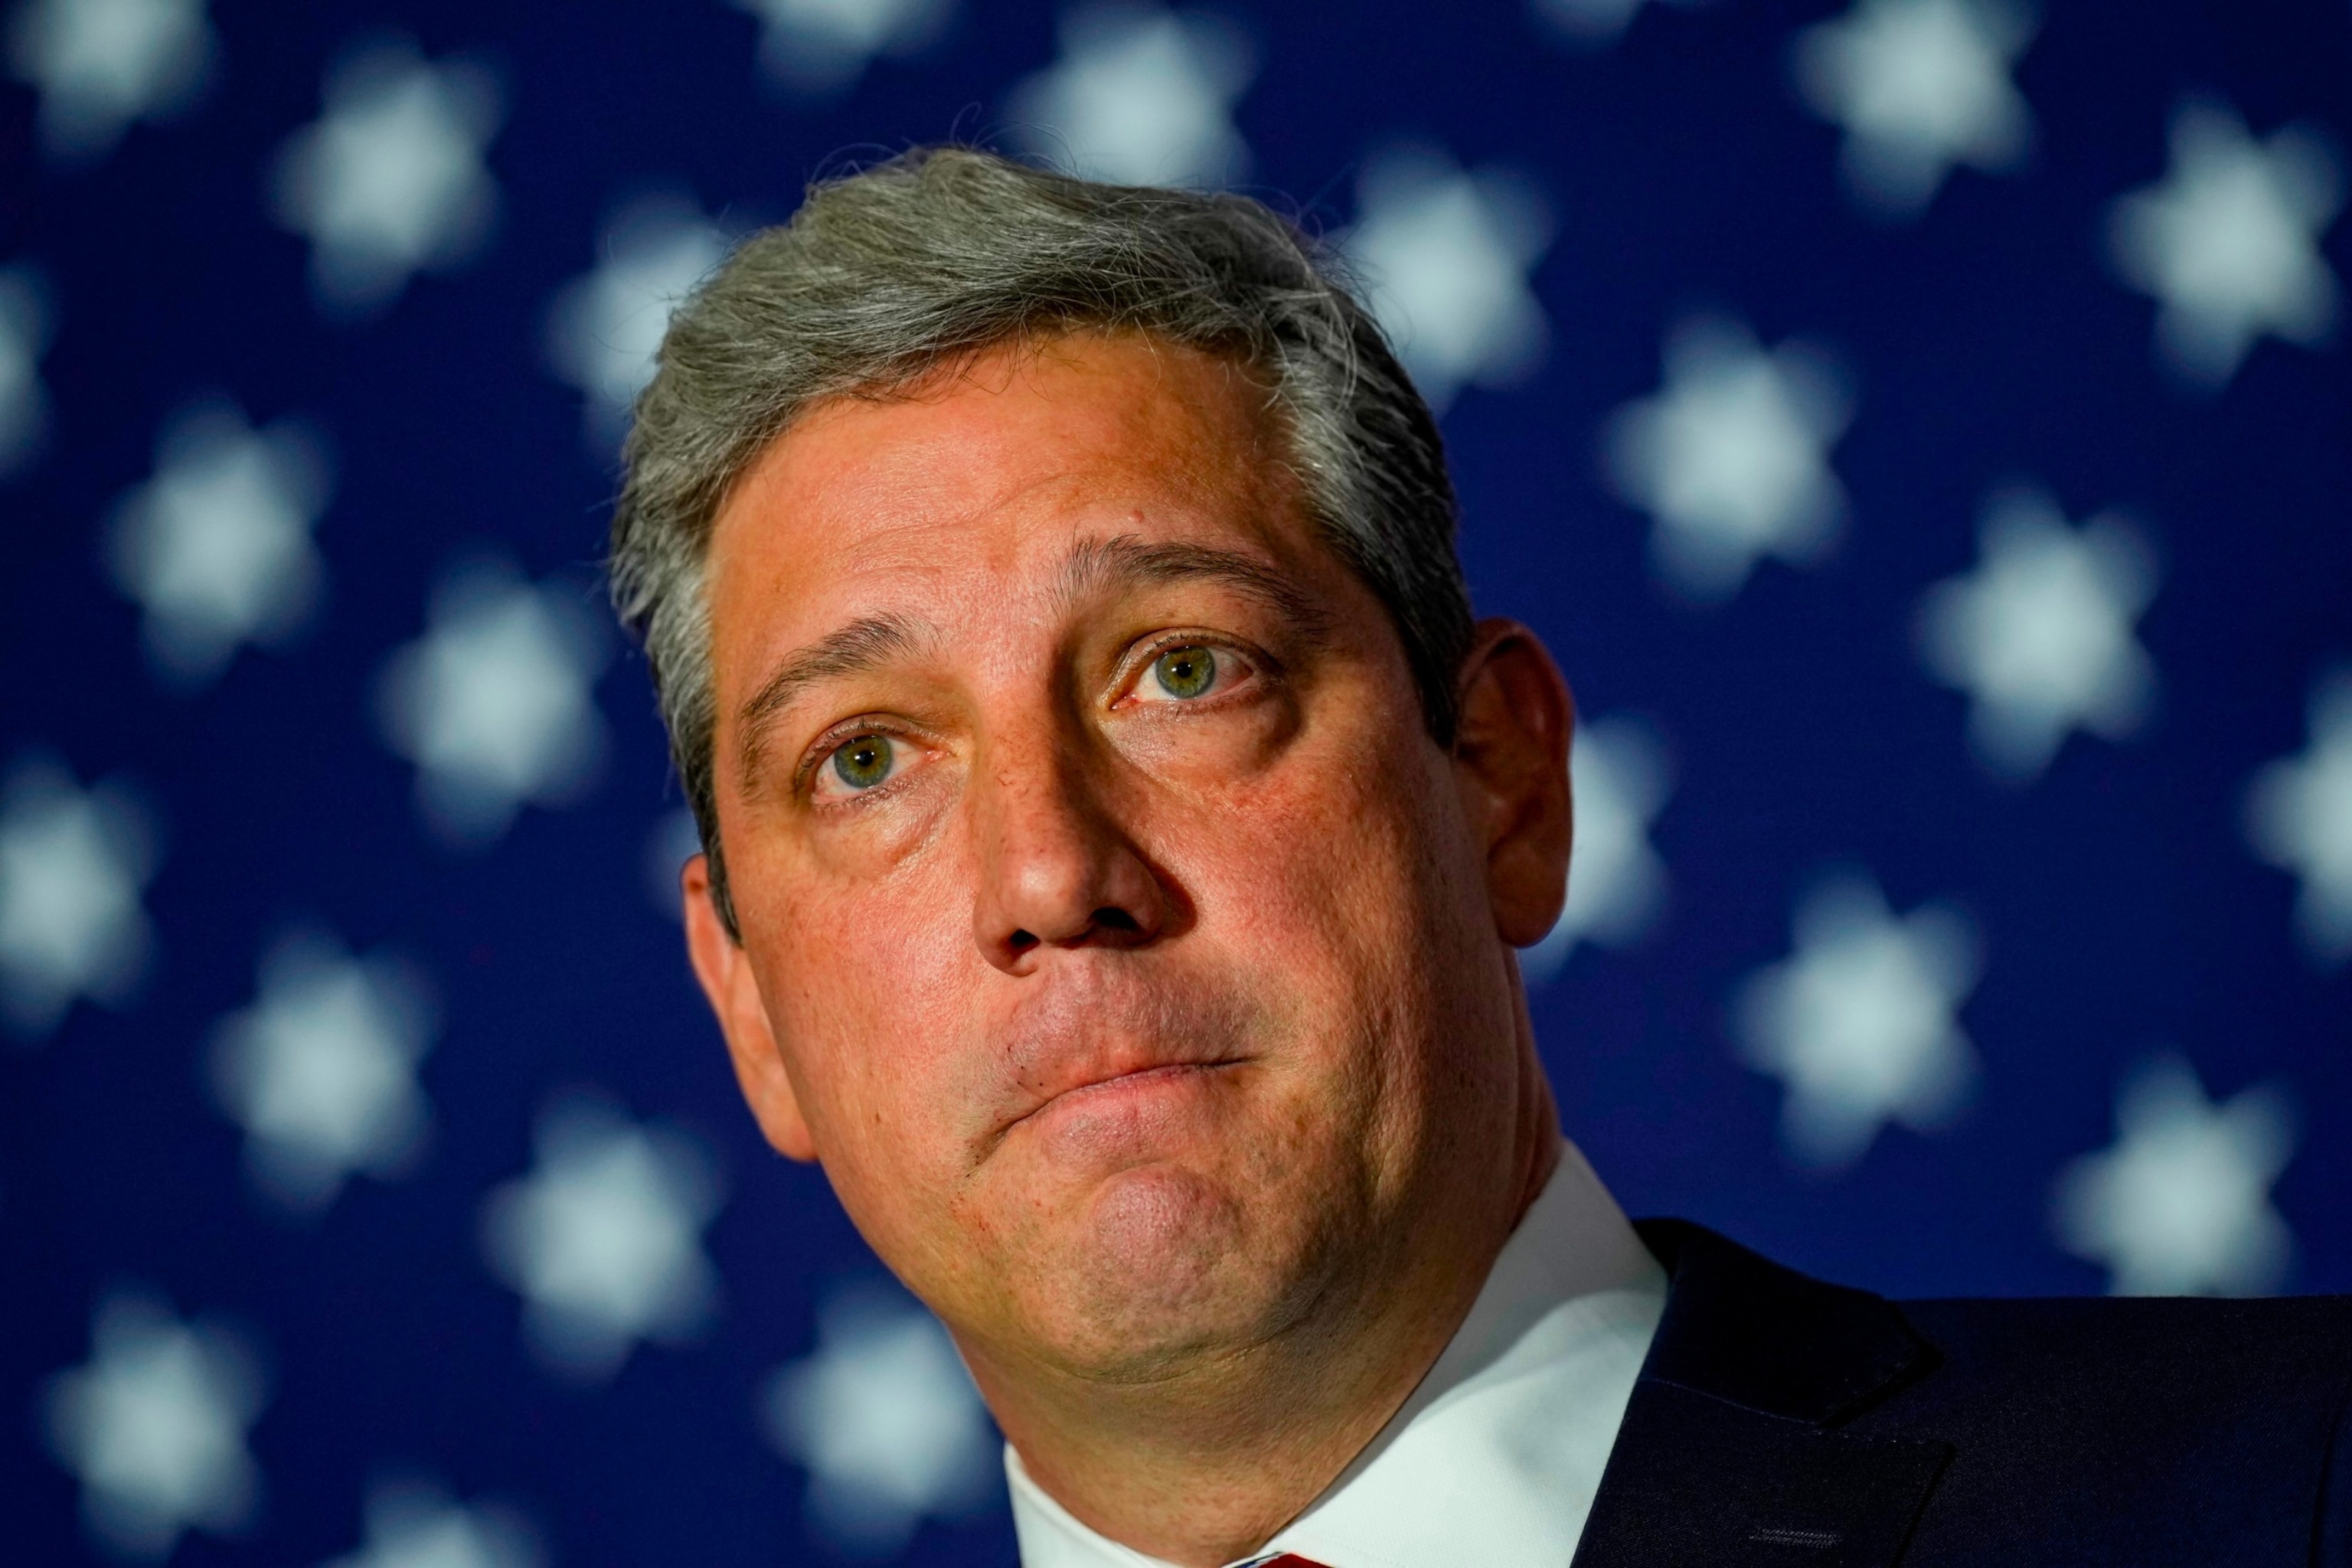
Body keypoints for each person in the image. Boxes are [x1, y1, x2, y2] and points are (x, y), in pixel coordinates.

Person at [607, 147, 2351, 1568]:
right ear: (749, 1003)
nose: (1055, 875)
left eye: (1185, 668)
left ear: (1501, 781)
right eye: (864, 760)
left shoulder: (2287, 1492)